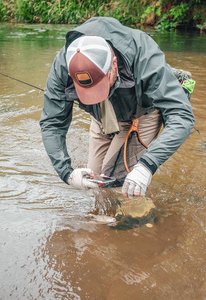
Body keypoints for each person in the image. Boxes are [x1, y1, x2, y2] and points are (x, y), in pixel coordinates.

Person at [40, 17, 195, 198]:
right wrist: (66, 172)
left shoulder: (143, 53)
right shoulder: (64, 65)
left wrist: (147, 166)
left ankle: (139, 219)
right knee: (96, 184)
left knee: (123, 181)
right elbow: (52, 122)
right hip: (103, 114)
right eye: (88, 91)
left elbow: (182, 116)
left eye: (100, 88)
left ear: (114, 64)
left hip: (143, 110)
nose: (98, 95)